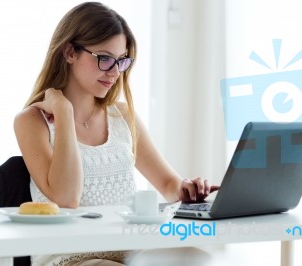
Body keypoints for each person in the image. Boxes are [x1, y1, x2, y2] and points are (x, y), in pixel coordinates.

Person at [14, 2, 220, 265]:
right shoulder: (32, 121)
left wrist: (187, 190)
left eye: (121, 61)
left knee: (199, 259)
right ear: (69, 53)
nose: (114, 71)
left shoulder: (122, 116)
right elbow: (66, 199)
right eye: (104, 58)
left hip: (129, 250)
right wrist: (64, 113)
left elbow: (169, 186)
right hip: (71, 257)